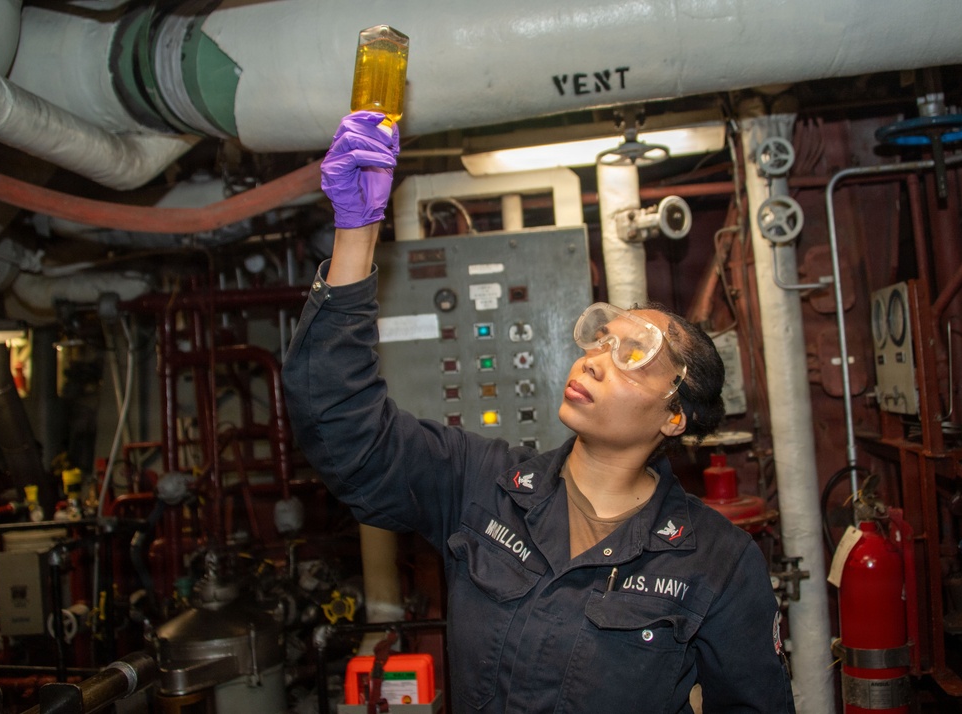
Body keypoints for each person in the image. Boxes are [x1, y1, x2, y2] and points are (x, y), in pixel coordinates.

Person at [282, 111, 796, 713]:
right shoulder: (482, 487)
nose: (594, 361)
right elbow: (343, 428)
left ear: (673, 416)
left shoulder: (717, 562)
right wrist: (355, 233)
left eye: (632, 354)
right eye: (600, 340)